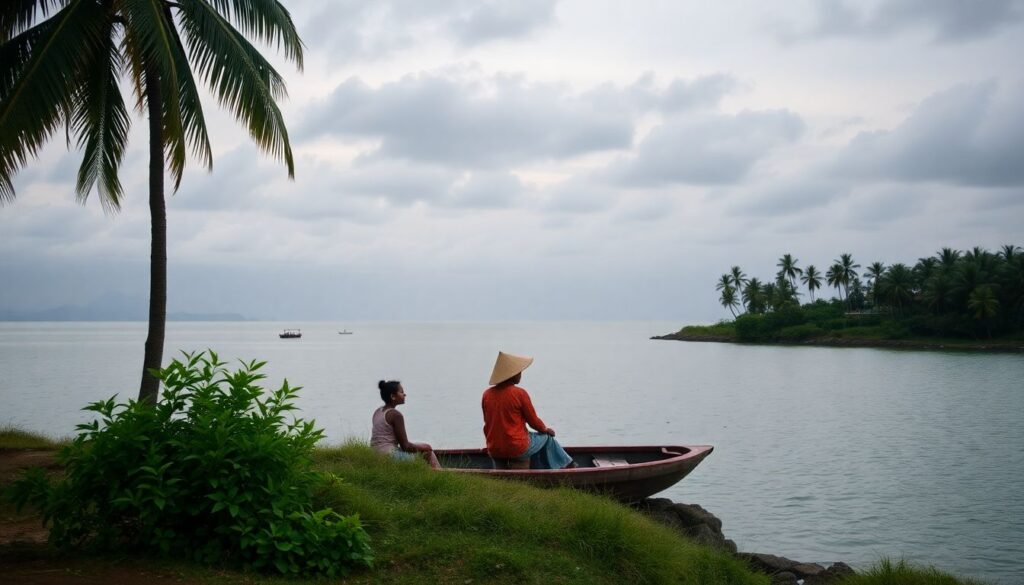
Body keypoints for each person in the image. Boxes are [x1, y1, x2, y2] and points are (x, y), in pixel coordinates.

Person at [481, 351, 576, 470]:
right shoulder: (519, 393)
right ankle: (567, 465)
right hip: (517, 447)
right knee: (547, 438)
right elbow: (533, 422)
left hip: (494, 448)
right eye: (518, 372)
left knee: (532, 438)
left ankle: (561, 465)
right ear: (511, 375)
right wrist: (545, 430)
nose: (520, 374)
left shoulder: (486, 395)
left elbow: (488, 423)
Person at [370, 380, 440, 468]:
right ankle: (441, 475)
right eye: (401, 392)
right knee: (428, 452)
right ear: (393, 396)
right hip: (389, 457)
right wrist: (426, 447)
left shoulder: (378, 412)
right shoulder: (396, 415)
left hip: (374, 455)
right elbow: (405, 446)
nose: (404, 394)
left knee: (423, 447)